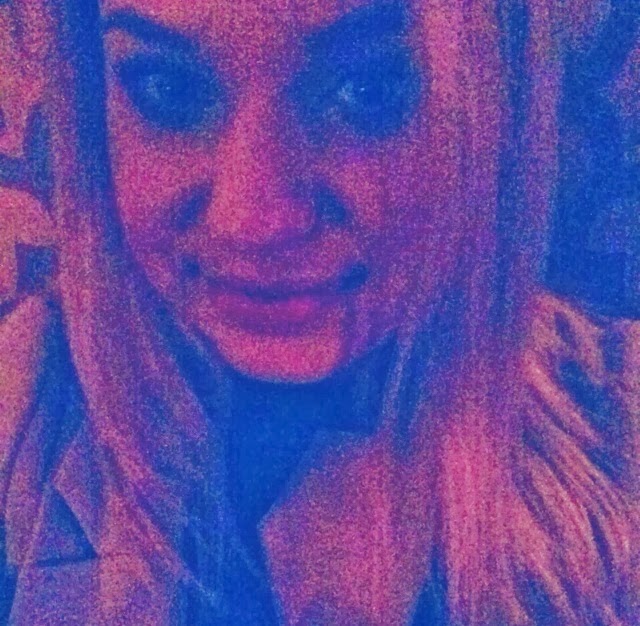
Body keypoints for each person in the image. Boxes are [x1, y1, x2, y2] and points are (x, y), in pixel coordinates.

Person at [0, 0, 638, 624]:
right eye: (168, 90)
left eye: (368, 90)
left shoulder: (623, 421)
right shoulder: (23, 401)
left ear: (501, 102)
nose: (254, 222)